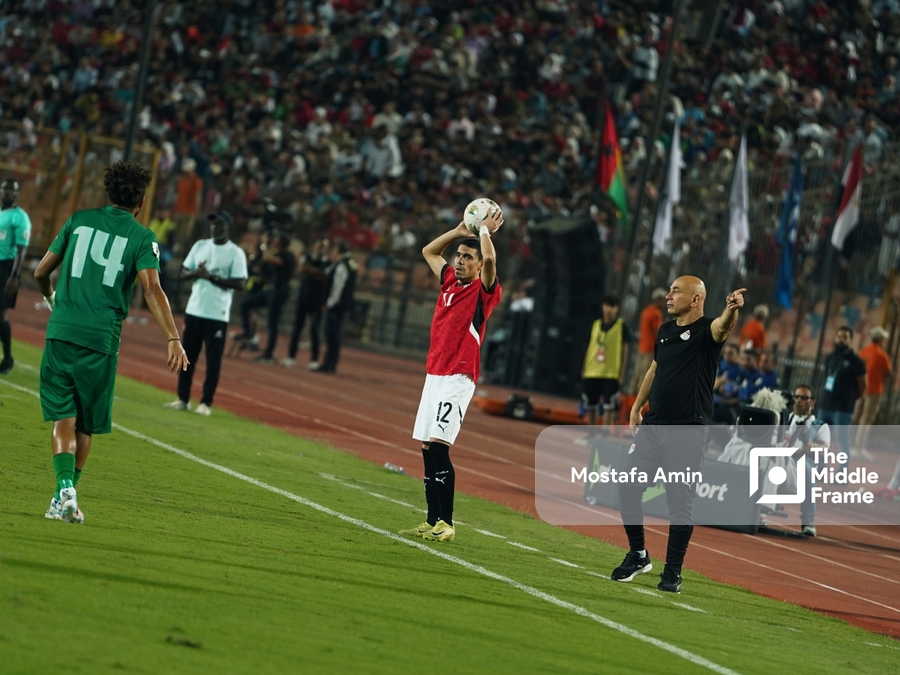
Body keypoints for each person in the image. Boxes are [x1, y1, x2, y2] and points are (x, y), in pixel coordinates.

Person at [33, 161, 189, 524]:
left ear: (108, 192)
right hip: (101, 339)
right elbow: (152, 289)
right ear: (142, 200)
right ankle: (64, 497)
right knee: (85, 423)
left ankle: (64, 488)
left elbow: (40, 272)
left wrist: (53, 297)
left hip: (61, 331)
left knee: (62, 416)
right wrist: (172, 337)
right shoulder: (142, 236)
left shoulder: (77, 220)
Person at [613, 277, 745, 593]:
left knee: (679, 503)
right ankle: (638, 554)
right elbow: (654, 370)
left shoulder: (707, 331)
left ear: (696, 299)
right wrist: (637, 406)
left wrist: (731, 310)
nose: (669, 295)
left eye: (676, 291)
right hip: (654, 425)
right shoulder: (665, 331)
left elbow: (723, 328)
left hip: (688, 431)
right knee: (627, 486)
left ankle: (672, 573)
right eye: (670, 290)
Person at [400, 210, 504, 542]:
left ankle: (447, 521)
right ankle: (432, 521)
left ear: (477, 267)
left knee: (441, 448)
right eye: (459, 255)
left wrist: (484, 233)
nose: (459, 261)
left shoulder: (483, 292)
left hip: (459, 375)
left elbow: (490, 261)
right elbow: (428, 252)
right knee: (428, 449)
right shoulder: (447, 281)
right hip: (435, 374)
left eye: (466, 257)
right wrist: (458, 230)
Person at [163, 212, 247, 415]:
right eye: (213, 225)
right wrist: (196, 274)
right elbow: (183, 273)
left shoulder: (235, 253)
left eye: (220, 225)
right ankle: (183, 398)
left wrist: (211, 278)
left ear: (228, 228)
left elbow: (240, 283)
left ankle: (206, 402)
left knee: (213, 360)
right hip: (195, 309)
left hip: (217, 313)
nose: (215, 228)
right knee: (187, 356)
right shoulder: (200, 246)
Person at [240, 230, 296, 364]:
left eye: (276, 240)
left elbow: (270, 259)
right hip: (271, 290)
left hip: (279, 291)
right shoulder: (277, 253)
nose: (273, 242)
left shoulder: (288, 255)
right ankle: (249, 334)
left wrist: (264, 244)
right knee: (245, 304)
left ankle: (269, 353)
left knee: (272, 323)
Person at [783, 385, 831, 537]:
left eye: (803, 398)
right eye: (796, 397)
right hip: (779, 455)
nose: (798, 401)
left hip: (802, 459)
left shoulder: (820, 426)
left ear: (812, 402)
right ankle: (757, 512)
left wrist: (807, 445)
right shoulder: (782, 418)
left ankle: (808, 520)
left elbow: (823, 450)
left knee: (806, 469)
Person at [581, 294, 634, 427]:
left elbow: (625, 351)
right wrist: (584, 367)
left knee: (609, 406)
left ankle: (605, 435)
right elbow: (589, 348)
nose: (609, 309)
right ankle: (591, 435)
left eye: (612, 306)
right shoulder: (595, 325)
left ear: (616, 309)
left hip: (611, 373)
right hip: (593, 371)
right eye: (606, 306)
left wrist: (622, 372)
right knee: (591, 404)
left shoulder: (621, 327)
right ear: (602, 307)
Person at [818, 326, 866, 466]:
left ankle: (842, 474)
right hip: (826, 405)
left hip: (843, 408)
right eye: (839, 336)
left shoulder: (856, 361)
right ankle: (819, 469)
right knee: (822, 439)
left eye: (845, 337)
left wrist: (851, 399)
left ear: (850, 340)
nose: (841, 339)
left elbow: (862, 385)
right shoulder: (829, 358)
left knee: (842, 441)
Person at [282, 238, 330, 370]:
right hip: (304, 298)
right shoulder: (308, 258)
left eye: (323, 247)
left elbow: (324, 276)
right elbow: (303, 269)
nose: (321, 250)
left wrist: (311, 271)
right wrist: (316, 272)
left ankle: (314, 359)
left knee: (315, 330)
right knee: (297, 328)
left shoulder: (328, 263)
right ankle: (291, 356)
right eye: (319, 246)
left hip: (318, 300)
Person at [0, 178, 32, 374]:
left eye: (12, 190)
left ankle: (8, 358)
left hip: (7, 268)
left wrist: (15, 275)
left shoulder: (20, 217)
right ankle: (8, 358)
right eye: (5, 189)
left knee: (0, 314)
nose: (8, 193)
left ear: (17, 194)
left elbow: (22, 249)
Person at [313, 239, 358, 374]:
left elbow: (338, 286)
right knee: (335, 334)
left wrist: (329, 302)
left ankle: (328, 363)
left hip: (337, 305)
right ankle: (331, 363)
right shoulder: (351, 263)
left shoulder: (342, 265)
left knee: (332, 334)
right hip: (344, 304)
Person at [852, 326, 892, 458]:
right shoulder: (882, 355)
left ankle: (850, 443)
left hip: (861, 388)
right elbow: (887, 373)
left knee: (856, 415)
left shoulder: (864, 352)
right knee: (866, 419)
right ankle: (859, 447)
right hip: (874, 390)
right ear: (880, 339)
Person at [630, 288, 666, 394]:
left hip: (641, 347)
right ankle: (639, 399)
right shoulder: (656, 314)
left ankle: (630, 397)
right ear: (658, 300)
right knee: (645, 376)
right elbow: (657, 332)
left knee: (637, 374)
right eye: (663, 300)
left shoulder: (645, 311)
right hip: (650, 349)